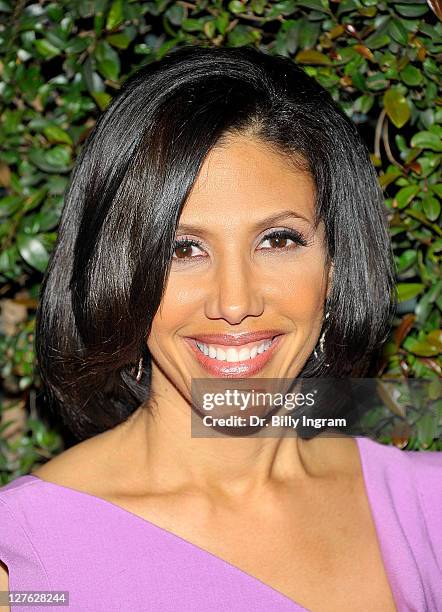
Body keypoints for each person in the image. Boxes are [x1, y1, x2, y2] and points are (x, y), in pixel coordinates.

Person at [0, 45, 441, 612]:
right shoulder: (30, 569)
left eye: (278, 240)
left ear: (335, 264)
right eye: (183, 249)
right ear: (120, 273)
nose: (235, 303)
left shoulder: (425, 508)